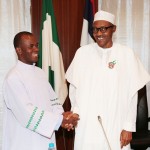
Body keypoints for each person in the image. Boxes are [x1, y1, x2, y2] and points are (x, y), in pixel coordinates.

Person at [65, 10, 150, 150]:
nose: (98, 34)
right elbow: (73, 89)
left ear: (114, 29)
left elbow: (132, 94)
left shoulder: (126, 54)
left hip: (116, 122)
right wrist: (75, 114)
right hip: (87, 123)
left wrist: (128, 126)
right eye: (95, 29)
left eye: (103, 29)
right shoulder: (82, 53)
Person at [2, 31, 79, 150]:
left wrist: (63, 116)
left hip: (45, 139)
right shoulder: (13, 78)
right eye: (31, 46)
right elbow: (26, 113)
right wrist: (59, 121)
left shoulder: (40, 73)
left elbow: (53, 101)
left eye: (36, 45)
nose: (36, 49)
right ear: (19, 50)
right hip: (24, 141)